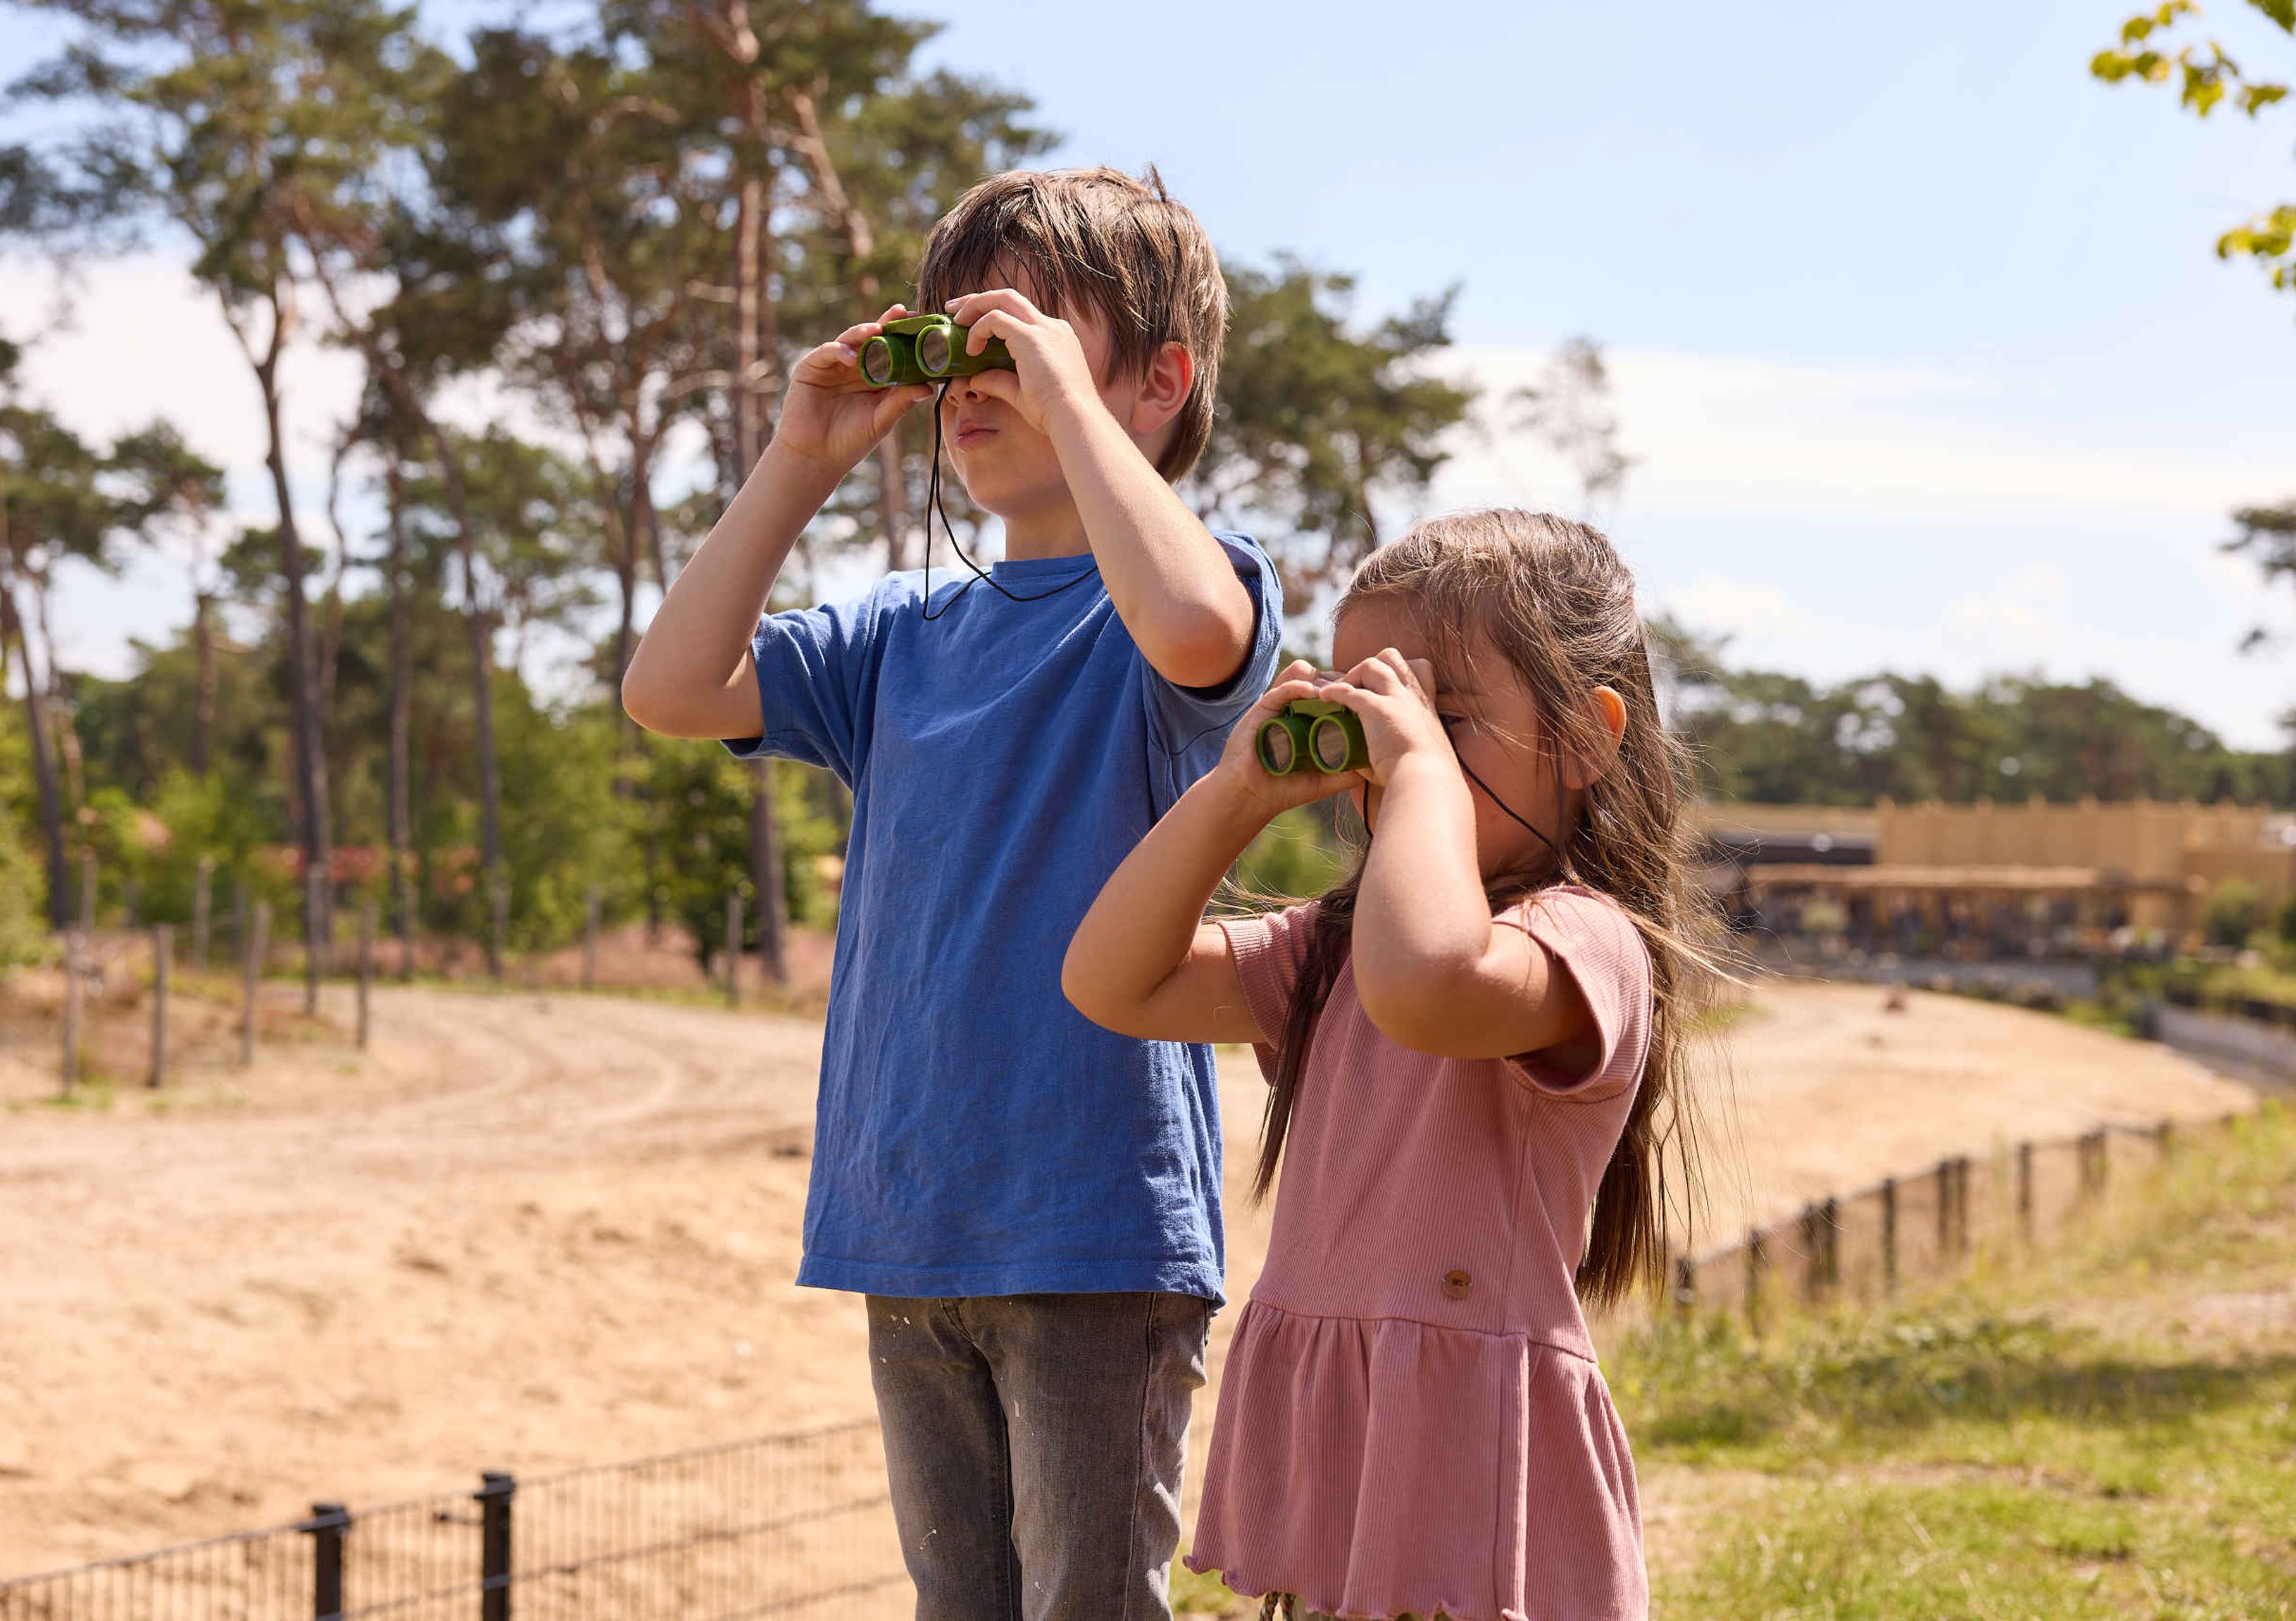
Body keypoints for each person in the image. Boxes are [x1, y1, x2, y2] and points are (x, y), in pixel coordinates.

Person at [621, 166, 1283, 1621]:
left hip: (1093, 1219)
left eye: (1020, 338)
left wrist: (1070, 405)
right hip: (907, 1211)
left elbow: (1197, 629)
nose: (972, 377)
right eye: (954, 343)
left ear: (1160, 382)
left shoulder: (1182, 596)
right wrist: (802, 456)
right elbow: (669, 689)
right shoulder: (897, 637)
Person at [1064, 509, 1708, 1621]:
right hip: (1353, 1480)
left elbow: (1427, 985)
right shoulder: (1337, 951)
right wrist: (1236, 792)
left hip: (1477, 1490)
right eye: (1373, 709)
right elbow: (1110, 980)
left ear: (1587, 737)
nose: (1397, 748)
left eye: (1448, 716)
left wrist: (1418, 779)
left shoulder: (1584, 940)